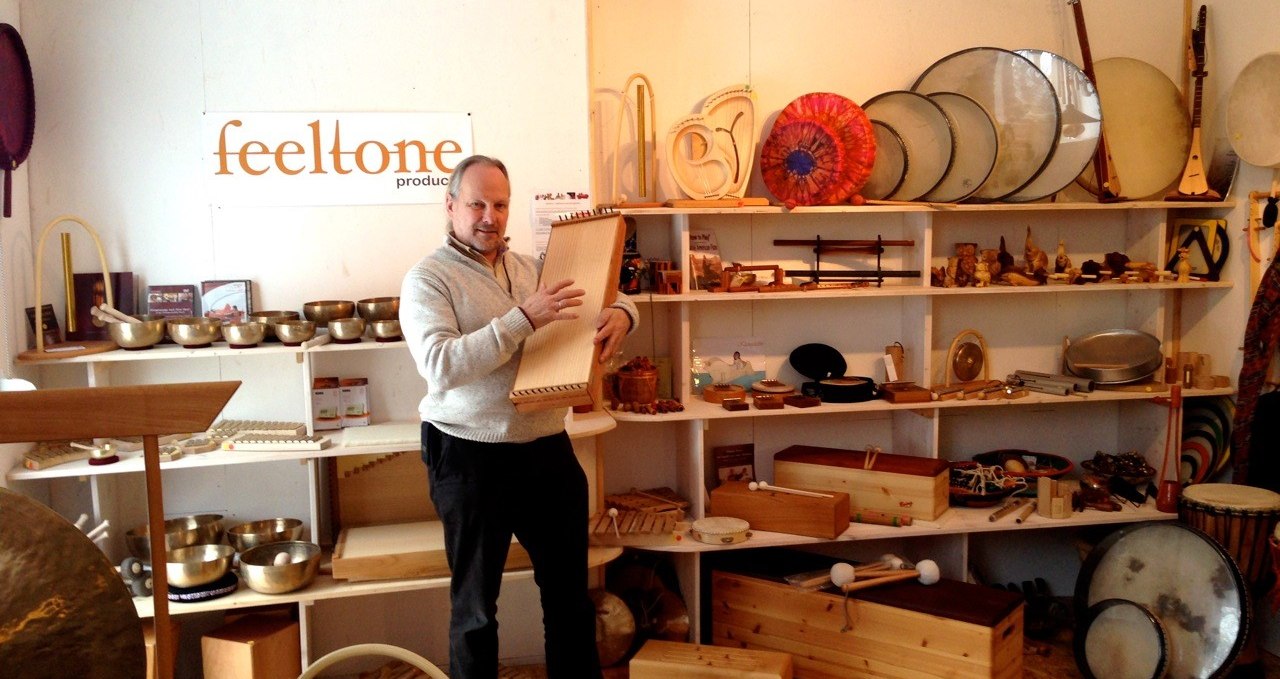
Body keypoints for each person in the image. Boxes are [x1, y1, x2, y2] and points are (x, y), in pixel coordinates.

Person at [400, 154, 637, 679]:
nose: (490, 215)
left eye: (500, 204)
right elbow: (440, 365)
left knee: (570, 601)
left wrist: (623, 313)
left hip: (546, 448)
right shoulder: (427, 279)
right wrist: (521, 319)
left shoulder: (532, 268)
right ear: (451, 206)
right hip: (466, 452)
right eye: (477, 203)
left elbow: (609, 294)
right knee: (476, 612)